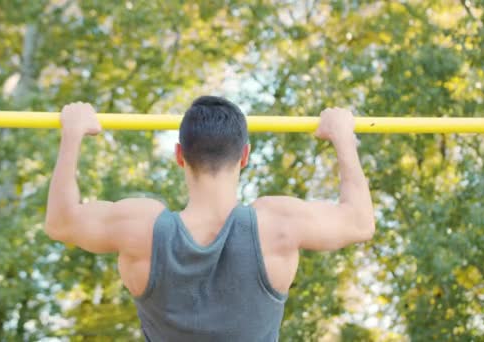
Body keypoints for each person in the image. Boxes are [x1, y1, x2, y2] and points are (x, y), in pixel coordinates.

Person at [44, 96, 375, 341]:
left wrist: (72, 133)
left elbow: (60, 222)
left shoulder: (139, 228)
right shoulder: (278, 225)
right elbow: (359, 222)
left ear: (179, 155)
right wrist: (343, 137)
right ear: (245, 155)